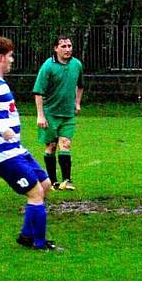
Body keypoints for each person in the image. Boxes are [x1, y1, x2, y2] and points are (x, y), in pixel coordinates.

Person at [0, 36, 62, 251]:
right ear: (1, 58)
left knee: (45, 185)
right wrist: (1, 128)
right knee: (36, 193)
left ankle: (27, 236)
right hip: (3, 155)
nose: (12, 60)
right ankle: (39, 243)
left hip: (15, 150)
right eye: (10, 56)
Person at [33, 36, 84, 190]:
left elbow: (80, 85)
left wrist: (77, 103)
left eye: (69, 46)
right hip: (50, 113)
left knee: (66, 144)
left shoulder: (76, 64)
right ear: (56, 48)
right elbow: (38, 92)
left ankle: (67, 180)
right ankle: (53, 182)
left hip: (68, 114)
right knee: (51, 146)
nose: (68, 49)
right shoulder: (48, 66)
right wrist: (40, 115)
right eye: (63, 46)